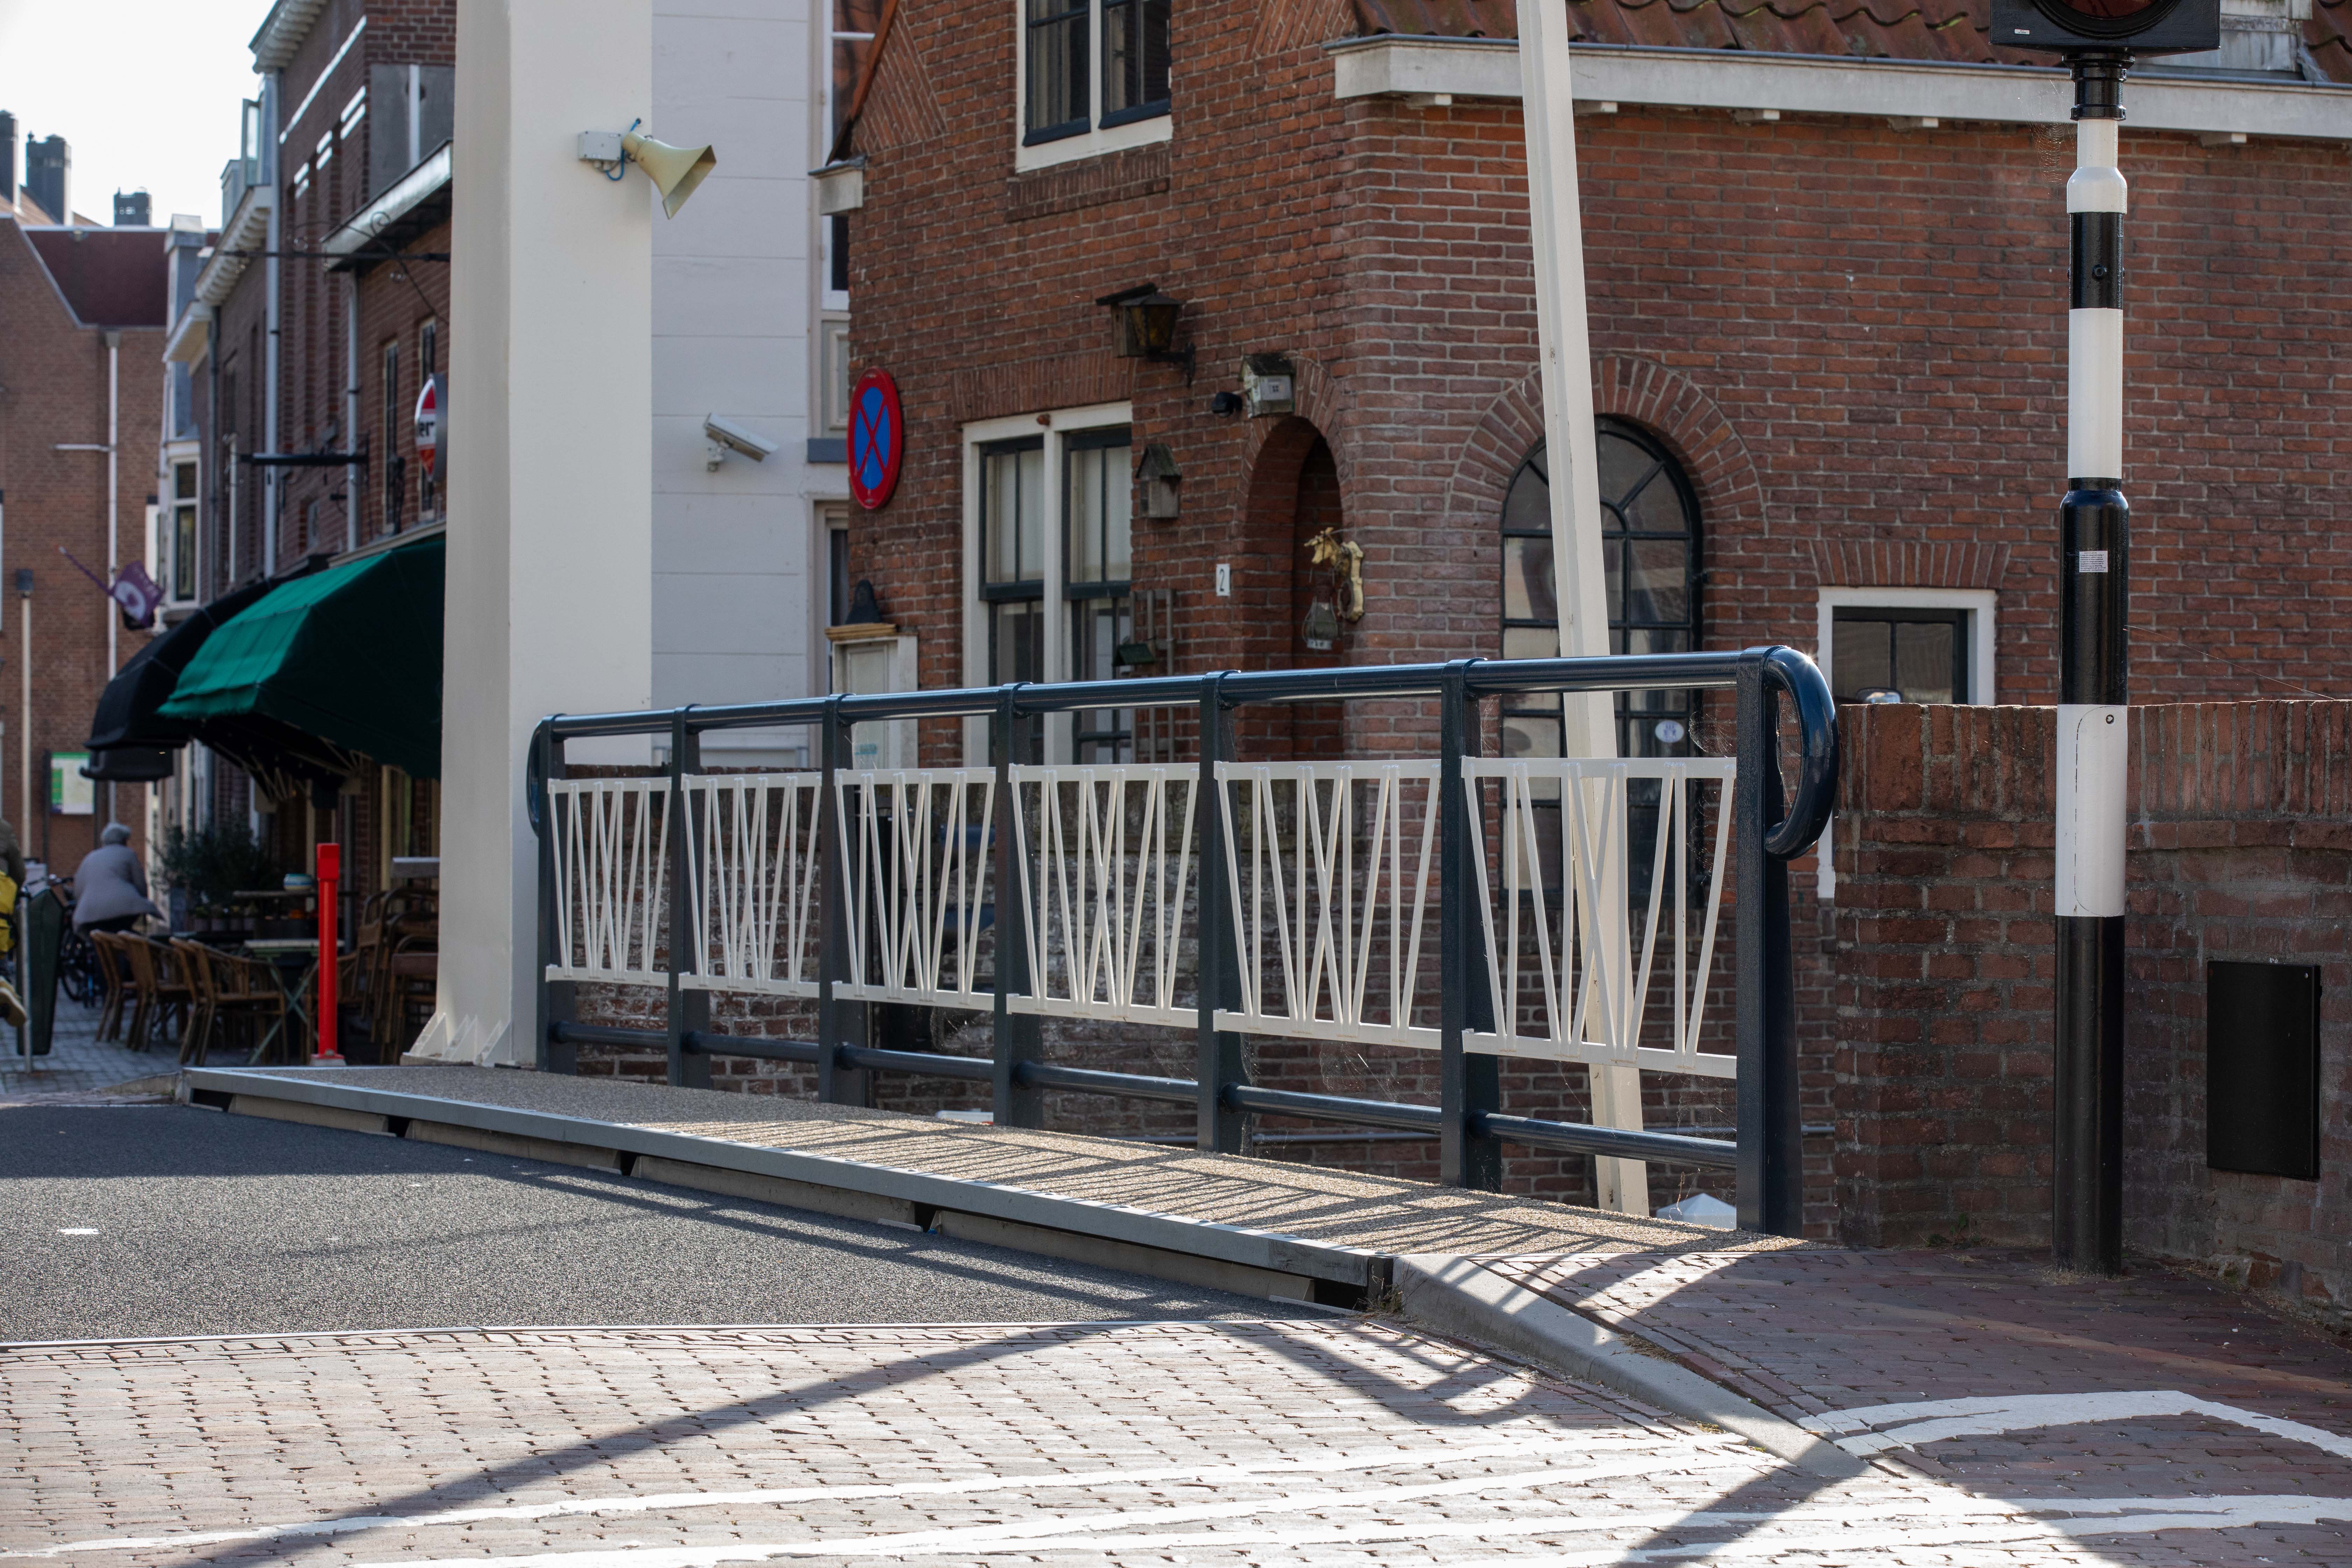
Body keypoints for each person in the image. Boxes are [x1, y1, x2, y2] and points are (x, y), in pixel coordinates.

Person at [71, 824, 162, 934]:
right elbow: (141, 884)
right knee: (122, 933)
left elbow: (78, 889)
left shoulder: (90, 857)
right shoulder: (128, 854)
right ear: (124, 840)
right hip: (123, 911)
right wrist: (143, 901)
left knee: (98, 938)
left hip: (89, 915)